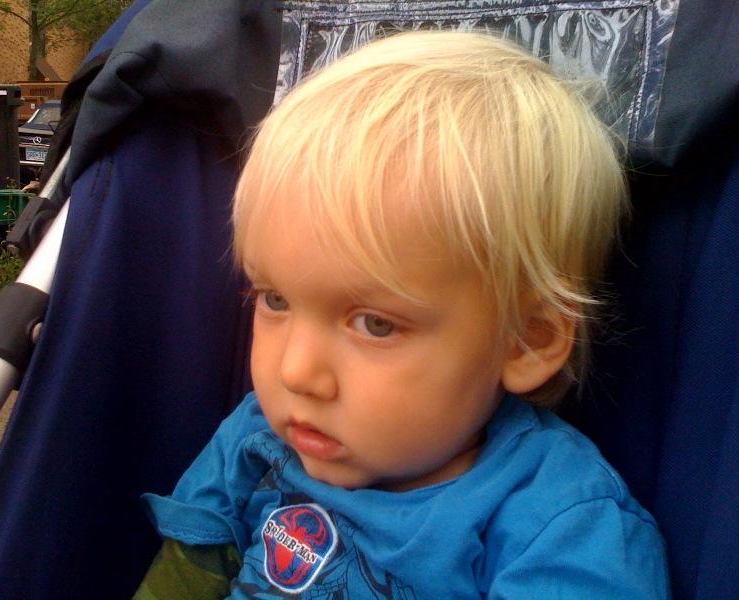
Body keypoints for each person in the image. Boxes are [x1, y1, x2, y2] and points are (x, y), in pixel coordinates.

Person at [134, 31, 670, 599]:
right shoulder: (256, 437)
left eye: (375, 324)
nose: (296, 373)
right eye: (276, 300)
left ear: (525, 340)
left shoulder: (559, 528)